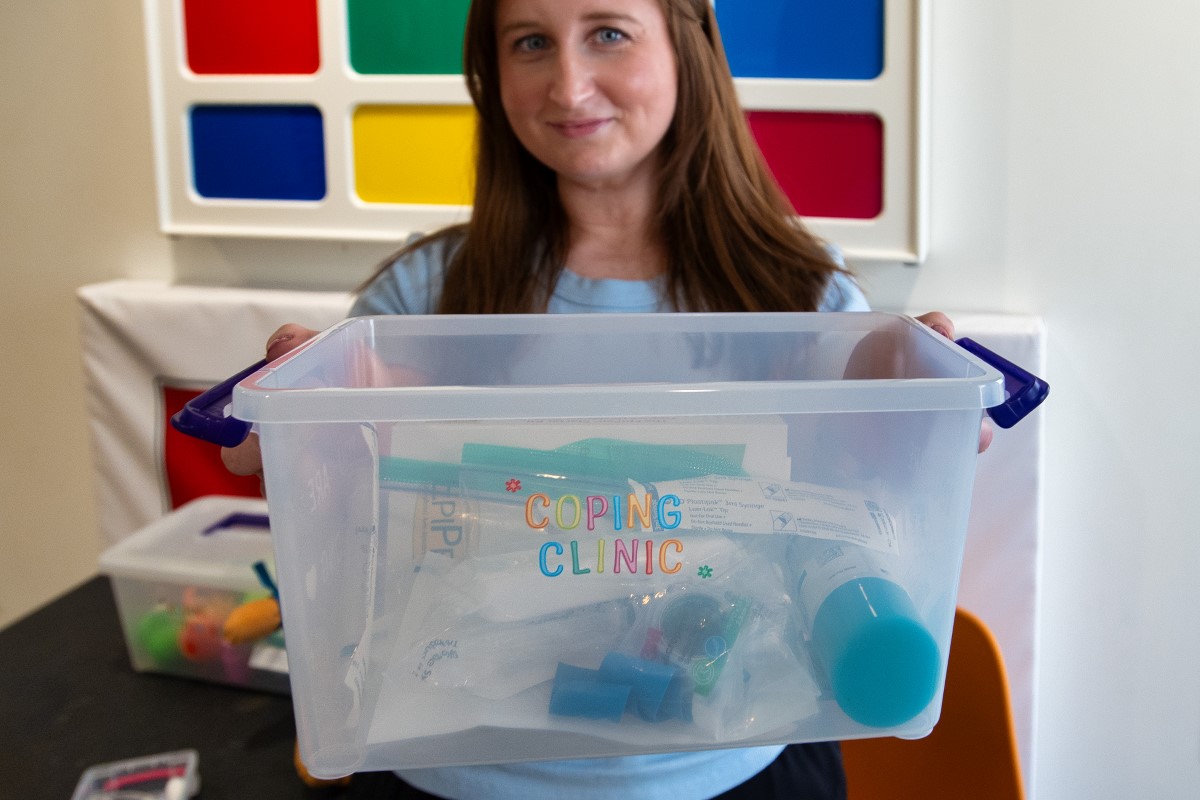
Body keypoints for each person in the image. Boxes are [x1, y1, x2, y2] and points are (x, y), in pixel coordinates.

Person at [225, 0, 988, 797]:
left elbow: (853, 544)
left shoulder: (804, 296)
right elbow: (354, 540)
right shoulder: (423, 292)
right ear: (492, 73)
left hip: (736, 768)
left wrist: (910, 423)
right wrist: (295, 441)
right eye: (530, 43)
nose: (569, 82)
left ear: (687, 46)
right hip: (448, 773)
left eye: (609, 33)